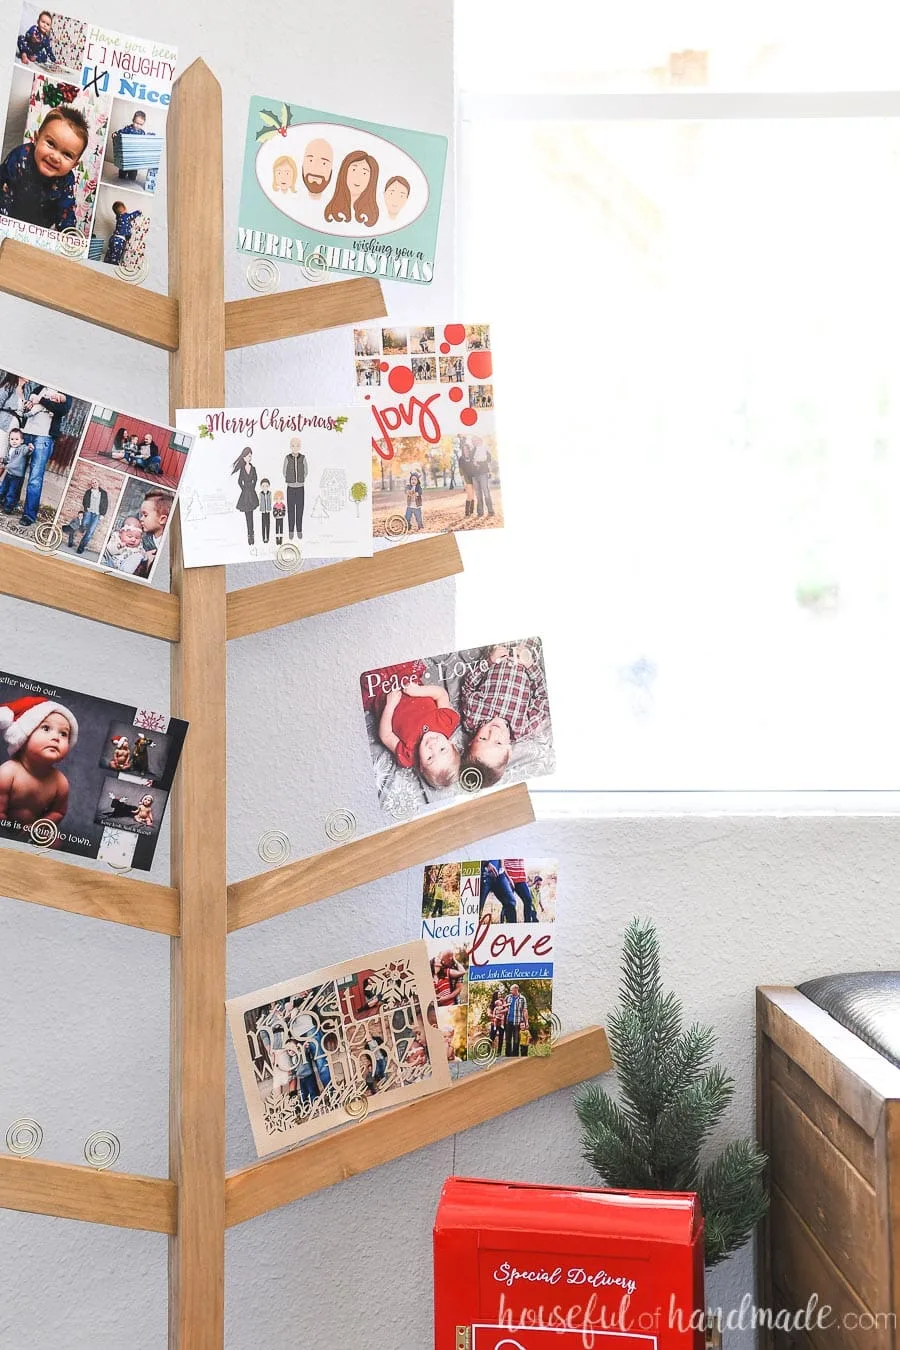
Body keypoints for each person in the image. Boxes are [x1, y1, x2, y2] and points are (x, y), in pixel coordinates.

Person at [460, 642, 551, 787]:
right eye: (498, 742)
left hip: (497, 650)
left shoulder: (473, 717)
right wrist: (530, 665)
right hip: (526, 652)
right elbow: (543, 697)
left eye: (483, 738)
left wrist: (488, 662)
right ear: (509, 750)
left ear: (471, 741)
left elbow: (467, 687)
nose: (493, 732)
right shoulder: (522, 728)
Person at [0, 107, 89, 232]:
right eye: (51, 144)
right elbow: (3, 191)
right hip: (9, 215)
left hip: (39, 229)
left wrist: (68, 233)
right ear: (36, 139)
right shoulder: (19, 158)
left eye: (67, 155)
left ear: (74, 165)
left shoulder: (66, 179)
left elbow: (65, 209)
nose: (55, 157)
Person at [0, 694, 78, 827]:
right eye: (46, 728)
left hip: (32, 831)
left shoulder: (60, 782)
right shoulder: (7, 772)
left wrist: (40, 826)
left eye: (63, 733)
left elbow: (58, 811)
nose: (56, 737)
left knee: (55, 842)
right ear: (24, 737)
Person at [378, 682, 461, 790]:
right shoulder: (447, 722)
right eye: (442, 749)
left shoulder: (408, 755)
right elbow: (441, 694)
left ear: (421, 765)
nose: (432, 746)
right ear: (452, 745)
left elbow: (386, 736)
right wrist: (418, 691)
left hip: (384, 695)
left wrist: (389, 706)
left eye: (430, 758)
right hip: (409, 682)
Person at [18, 384, 71, 527]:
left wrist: (41, 400)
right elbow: (31, 401)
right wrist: (30, 404)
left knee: (35, 477)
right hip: (27, 432)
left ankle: (29, 516)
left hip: (44, 437)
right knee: (16, 471)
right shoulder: (41, 386)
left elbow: (63, 409)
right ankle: (9, 504)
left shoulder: (67, 390)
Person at [324, 150, 379, 227]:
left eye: (364, 173)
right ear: (344, 172)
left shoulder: (371, 215)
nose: (357, 177)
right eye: (353, 170)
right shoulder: (332, 211)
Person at [133, 487, 173, 578]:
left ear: (162, 519)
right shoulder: (141, 542)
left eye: (145, 515)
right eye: (141, 515)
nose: (141, 519)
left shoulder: (170, 546)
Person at [62, 476, 109, 553]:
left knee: (90, 532)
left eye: (95, 482)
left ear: (98, 483)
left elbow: (105, 504)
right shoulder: (88, 492)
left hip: (97, 514)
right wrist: (86, 509)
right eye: (92, 483)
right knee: (84, 523)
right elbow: (84, 501)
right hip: (88, 512)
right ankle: (82, 528)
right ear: (91, 484)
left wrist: (102, 514)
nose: (94, 484)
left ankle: (81, 548)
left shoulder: (103, 493)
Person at [231, 446, 258, 545]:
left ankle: (252, 534)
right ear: (244, 457)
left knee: (251, 515)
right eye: (247, 456)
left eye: (250, 456)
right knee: (248, 515)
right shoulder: (242, 469)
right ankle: (249, 535)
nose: (249, 458)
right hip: (245, 495)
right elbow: (239, 481)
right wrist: (244, 489)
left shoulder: (253, 468)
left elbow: (255, 479)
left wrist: (252, 487)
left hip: (251, 493)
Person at [0, 428, 31, 513]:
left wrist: (29, 448)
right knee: (3, 488)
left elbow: (26, 451)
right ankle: (1, 501)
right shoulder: (10, 449)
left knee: (12, 492)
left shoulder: (22, 448)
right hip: (9, 473)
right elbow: (8, 459)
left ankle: (8, 508)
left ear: (21, 441)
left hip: (16, 476)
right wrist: (3, 460)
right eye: (12, 439)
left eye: (17, 439)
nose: (14, 441)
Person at [104, 201, 142, 267]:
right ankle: (112, 267)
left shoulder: (118, 217)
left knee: (110, 253)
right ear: (124, 209)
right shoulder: (125, 216)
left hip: (113, 238)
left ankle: (105, 263)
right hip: (119, 241)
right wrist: (138, 212)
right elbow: (132, 215)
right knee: (116, 256)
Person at [282, 435, 307, 540]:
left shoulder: (303, 458)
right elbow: (284, 471)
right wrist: (291, 480)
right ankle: (291, 531)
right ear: (290, 447)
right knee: (291, 509)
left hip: (300, 487)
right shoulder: (287, 458)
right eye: (293, 446)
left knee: (300, 509)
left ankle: (299, 530)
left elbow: (306, 471)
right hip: (290, 488)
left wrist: (300, 480)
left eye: (297, 446)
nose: (295, 447)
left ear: (300, 447)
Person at [116, 108, 147, 182]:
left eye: (140, 124)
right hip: (126, 153)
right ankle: (122, 174)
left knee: (133, 174)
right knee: (122, 172)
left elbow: (143, 142)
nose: (137, 126)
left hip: (135, 156)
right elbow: (120, 133)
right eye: (136, 123)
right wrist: (115, 134)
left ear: (143, 124)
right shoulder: (128, 129)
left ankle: (132, 176)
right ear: (133, 120)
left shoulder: (142, 133)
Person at [0, 373, 25, 462]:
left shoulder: (25, 391)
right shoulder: (9, 386)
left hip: (15, 427)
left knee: (7, 457)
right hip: (4, 424)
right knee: (1, 452)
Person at [504, 984, 529, 1057]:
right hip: (508, 1022)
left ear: (516, 989)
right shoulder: (508, 997)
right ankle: (508, 1056)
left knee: (516, 1040)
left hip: (517, 1022)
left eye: (511, 990)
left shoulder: (522, 998)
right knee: (508, 1040)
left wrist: (526, 1022)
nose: (510, 991)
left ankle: (515, 1056)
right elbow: (503, 1006)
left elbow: (525, 1010)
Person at [457, 437, 476, 518]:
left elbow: (475, 448)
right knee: (469, 495)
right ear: (463, 450)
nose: (466, 450)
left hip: (474, 477)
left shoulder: (472, 456)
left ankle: (471, 511)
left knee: (473, 495)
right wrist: (463, 481)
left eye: (467, 448)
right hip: (466, 478)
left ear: (469, 449)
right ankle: (467, 512)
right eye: (464, 449)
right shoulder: (461, 459)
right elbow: (461, 470)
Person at [258, 476, 272, 543]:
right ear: (261, 486)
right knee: (263, 525)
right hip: (263, 511)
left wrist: (269, 508)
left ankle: (268, 537)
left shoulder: (270, 493)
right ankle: (264, 538)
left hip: (268, 511)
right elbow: (260, 501)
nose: (265, 487)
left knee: (268, 524)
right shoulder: (260, 494)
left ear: (268, 486)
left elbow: (270, 501)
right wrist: (261, 508)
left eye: (266, 485)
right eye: (263, 485)